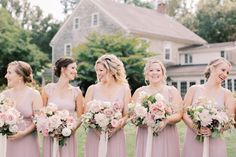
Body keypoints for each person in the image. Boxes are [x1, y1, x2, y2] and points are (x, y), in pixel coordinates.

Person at [183, 57, 235, 157]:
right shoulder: (194, 89)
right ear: (211, 68)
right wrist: (194, 127)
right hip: (194, 138)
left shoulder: (227, 94)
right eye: (223, 70)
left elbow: (230, 119)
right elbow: (184, 113)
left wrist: (215, 129)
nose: (225, 74)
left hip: (215, 140)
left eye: (228, 72)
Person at [132, 58, 183, 157]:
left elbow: (179, 114)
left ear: (163, 73)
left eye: (158, 70)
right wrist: (144, 120)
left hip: (167, 135)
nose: (154, 73)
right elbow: (132, 115)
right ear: (146, 74)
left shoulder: (172, 91)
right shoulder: (139, 92)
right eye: (151, 70)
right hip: (145, 134)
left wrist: (166, 120)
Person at [84, 54, 131, 157]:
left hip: (116, 135)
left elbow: (126, 115)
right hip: (95, 136)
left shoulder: (124, 89)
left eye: (101, 70)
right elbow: (86, 115)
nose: (98, 73)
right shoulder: (92, 89)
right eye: (97, 70)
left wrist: (116, 128)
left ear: (111, 70)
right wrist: (97, 131)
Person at [41, 57, 84, 157]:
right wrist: (50, 128)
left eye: (75, 69)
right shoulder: (48, 89)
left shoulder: (76, 92)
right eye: (72, 68)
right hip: (50, 136)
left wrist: (70, 130)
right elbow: (41, 113)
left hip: (68, 136)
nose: (75, 71)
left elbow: (80, 117)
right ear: (62, 69)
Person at [3, 61, 42, 157]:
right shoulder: (4, 95)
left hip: (28, 141)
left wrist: (23, 133)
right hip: (8, 141)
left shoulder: (34, 95)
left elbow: (38, 119)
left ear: (20, 76)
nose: (6, 76)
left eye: (9, 73)